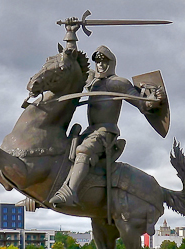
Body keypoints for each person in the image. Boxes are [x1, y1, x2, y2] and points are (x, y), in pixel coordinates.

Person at [50, 45, 163, 207]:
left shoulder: (118, 83)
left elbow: (141, 103)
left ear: (111, 63)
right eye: (97, 62)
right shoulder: (91, 80)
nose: (100, 65)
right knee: (62, 148)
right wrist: (71, 33)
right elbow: (72, 62)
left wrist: (152, 100)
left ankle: (70, 194)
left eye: (104, 62)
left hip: (106, 131)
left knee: (83, 151)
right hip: (90, 130)